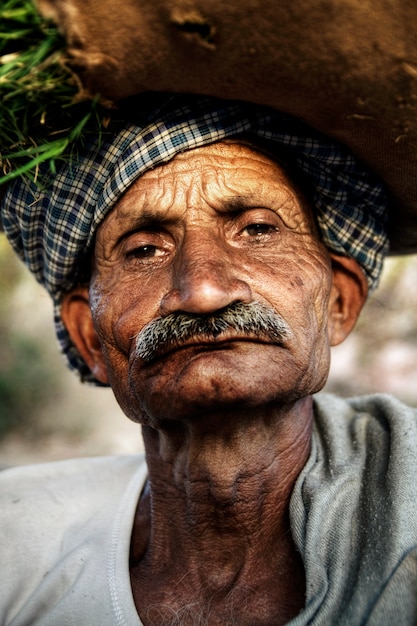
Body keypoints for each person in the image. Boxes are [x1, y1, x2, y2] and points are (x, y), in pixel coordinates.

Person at [1, 94, 416, 626]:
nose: (202, 290)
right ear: (90, 338)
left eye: (258, 230)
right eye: (144, 250)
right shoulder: (14, 539)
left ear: (338, 301)